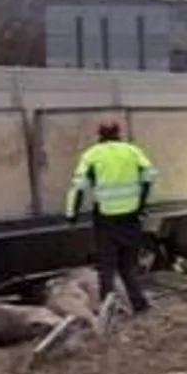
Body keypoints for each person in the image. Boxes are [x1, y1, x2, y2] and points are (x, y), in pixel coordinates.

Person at [64, 118, 157, 314]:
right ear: (118, 133)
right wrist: (141, 202)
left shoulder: (92, 154)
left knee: (107, 267)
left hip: (106, 218)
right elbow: (150, 174)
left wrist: (71, 214)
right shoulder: (132, 151)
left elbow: (78, 187)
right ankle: (140, 306)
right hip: (131, 216)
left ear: (99, 135)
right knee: (128, 265)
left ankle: (109, 311)